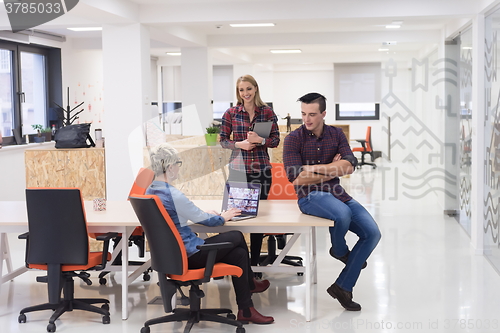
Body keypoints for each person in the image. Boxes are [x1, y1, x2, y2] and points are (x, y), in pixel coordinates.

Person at [146, 143, 274, 324]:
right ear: (170, 167)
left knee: (238, 255)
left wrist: (207, 215)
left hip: (170, 256)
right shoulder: (174, 195)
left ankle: (246, 309)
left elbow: (174, 218)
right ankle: (250, 284)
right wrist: (223, 216)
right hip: (190, 255)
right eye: (178, 164)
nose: (178, 169)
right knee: (237, 236)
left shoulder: (149, 191)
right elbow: (208, 222)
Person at [282, 92, 381, 311]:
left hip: (337, 193)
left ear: (323, 114)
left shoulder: (336, 134)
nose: (307, 119)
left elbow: (350, 165)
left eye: (312, 114)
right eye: (303, 114)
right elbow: (296, 177)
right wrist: (331, 169)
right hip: (309, 196)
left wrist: (312, 169)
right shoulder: (293, 139)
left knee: (372, 233)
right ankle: (339, 249)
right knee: (342, 214)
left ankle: (342, 287)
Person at [220, 74, 280, 270]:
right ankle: (230, 262)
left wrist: (260, 141)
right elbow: (222, 140)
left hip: (261, 170)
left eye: (248, 89)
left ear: (255, 89)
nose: (245, 93)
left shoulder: (267, 113)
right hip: (238, 170)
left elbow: (276, 140)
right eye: (241, 90)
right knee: (233, 217)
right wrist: (240, 144)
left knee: (257, 219)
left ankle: (254, 265)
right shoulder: (231, 113)